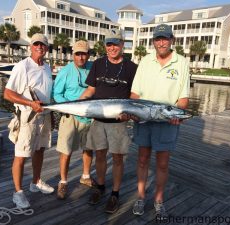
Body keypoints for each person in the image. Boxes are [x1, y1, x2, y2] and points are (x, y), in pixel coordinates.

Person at [130, 24, 190, 218]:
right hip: (144, 119)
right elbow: (135, 93)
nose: (161, 42)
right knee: (142, 159)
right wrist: (134, 111)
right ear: (153, 41)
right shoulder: (145, 62)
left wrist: (178, 114)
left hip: (167, 121)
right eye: (158, 39)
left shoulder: (182, 63)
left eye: (165, 38)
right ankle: (140, 197)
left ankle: (158, 200)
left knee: (162, 164)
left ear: (172, 40)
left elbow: (183, 97)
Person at [80, 28, 137, 214]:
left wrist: (129, 112)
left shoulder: (132, 68)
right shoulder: (97, 64)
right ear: (105, 46)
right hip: (98, 120)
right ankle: (101, 186)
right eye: (109, 44)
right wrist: (80, 101)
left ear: (122, 45)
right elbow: (91, 90)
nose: (112, 48)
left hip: (119, 123)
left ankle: (115, 193)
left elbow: (134, 96)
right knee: (100, 155)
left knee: (118, 158)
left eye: (116, 44)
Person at [4, 33, 54, 209]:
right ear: (30, 47)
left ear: (47, 48)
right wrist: (30, 103)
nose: (39, 47)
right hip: (27, 117)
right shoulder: (22, 66)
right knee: (21, 155)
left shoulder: (47, 68)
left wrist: (52, 112)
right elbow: (8, 94)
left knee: (40, 150)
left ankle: (35, 182)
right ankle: (18, 192)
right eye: (36, 44)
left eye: (43, 44)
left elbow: (48, 94)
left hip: (45, 116)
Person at [53, 40, 95, 200]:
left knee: (88, 148)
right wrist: (67, 106)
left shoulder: (93, 69)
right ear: (73, 55)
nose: (81, 57)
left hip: (89, 117)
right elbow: (57, 94)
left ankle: (85, 176)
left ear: (88, 55)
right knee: (66, 150)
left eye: (84, 54)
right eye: (78, 54)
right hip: (70, 116)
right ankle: (63, 182)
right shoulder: (65, 71)